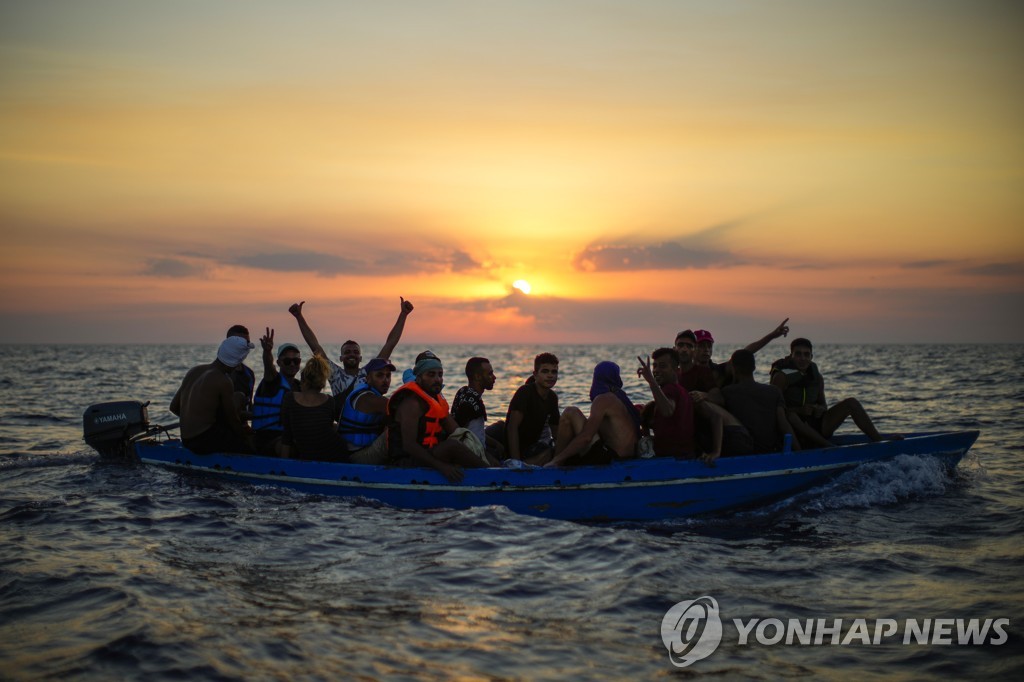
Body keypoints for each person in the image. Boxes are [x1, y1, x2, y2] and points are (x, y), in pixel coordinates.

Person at [288, 297, 414, 409]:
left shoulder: (368, 373)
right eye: (347, 352)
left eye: (355, 352)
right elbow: (314, 345)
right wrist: (299, 317)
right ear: (341, 358)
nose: (351, 354)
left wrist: (403, 314)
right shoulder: (335, 374)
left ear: (360, 358)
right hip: (343, 426)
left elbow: (390, 344)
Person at [770, 338, 896, 448]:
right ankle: (828, 447)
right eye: (798, 354)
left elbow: (824, 406)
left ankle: (878, 440)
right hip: (793, 429)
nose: (802, 358)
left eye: (806, 355)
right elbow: (772, 410)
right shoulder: (781, 377)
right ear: (791, 356)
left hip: (817, 426)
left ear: (811, 357)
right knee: (792, 416)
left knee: (851, 403)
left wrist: (819, 408)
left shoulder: (817, 377)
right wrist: (799, 410)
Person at [386, 354, 488, 482]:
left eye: (440, 375)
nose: (437, 379)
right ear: (418, 378)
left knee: (465, 441)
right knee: (452, 446)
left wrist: (482, 449)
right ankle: (492, 475)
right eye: (431, 375)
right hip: (405, 461)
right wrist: (442, 467)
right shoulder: (412, 404)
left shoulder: (435, 400)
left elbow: (457, 431)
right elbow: (409, 446)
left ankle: (493, 467)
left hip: (428, 454)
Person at [170, 336, 255, 454]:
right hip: (202, 441)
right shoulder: (224, 380)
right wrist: (244, 437)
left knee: (238, 397)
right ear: (237, 362)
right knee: (250, 445)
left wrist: (192, 422)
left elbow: (173, 407)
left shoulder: (194, 371)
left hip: (186, 439)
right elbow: (232, 420)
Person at [545, 361, 640, 467]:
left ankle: (556, 462)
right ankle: (558, 459)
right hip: (629, 455)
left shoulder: (603, 399)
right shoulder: (620, 398)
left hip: (612, 457)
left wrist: (558, 459)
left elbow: (587, 437)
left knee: (570, 412)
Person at [487, 352, 561, 465]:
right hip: (516, 450)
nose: (550, 375)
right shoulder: (525, 392)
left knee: (556, 451)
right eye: (545, 371)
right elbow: (512, 427)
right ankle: (521, 465)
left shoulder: (552, 397)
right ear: (535, 374)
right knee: (549, 453)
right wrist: (516, 462)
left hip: (532, 447)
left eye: (554, 372)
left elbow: (556, 431)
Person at [722, 349, 799, 454]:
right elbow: (783, 424)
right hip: (770, 450)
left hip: (743, 451)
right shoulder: (774, 391)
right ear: (754, 368)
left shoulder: (727, 392)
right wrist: (798, 451)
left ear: (734, 369)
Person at [279, 356, 349, 461]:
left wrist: (282, 465)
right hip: (337, 452)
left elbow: (287, 436)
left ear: (304, 381)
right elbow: (326, 427)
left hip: (310, 453)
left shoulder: (290, 398)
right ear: (322, 383)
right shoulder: (329, 401)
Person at [692, 318, 790, 388]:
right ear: (692, 348)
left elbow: (746, 352)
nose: (706, 349)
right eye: (701, 346)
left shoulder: (720, 371)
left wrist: (772, 335)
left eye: (709, 346)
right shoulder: (683, 372)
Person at [251, 329, 302, 456]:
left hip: (290, 436)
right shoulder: (272, 381)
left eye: (295, 361)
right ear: (279, 363)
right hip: (268, 439)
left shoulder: (300, 386)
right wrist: (267, 351)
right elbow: (268, 366)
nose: (292, 364)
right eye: (287, 361)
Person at [637, 348, 695, 458]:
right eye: (655, 366)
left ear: (676, 371)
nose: (656, 370)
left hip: (672, 457)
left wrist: (651, 381)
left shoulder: (670, 389)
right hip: (685, 454)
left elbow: (667, 410)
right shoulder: (682, 391)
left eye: (662, 366)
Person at [338, 357, 395, 464]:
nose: (386, 380)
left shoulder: (368, 392)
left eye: (388, 375)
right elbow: (403, 409)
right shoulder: (369, 398)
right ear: (368, 378)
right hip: (358, 456)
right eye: (379, 375)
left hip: (360, 450)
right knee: (397, 430)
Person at [451, 356, 505, 460]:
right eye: (490, 374)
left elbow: (475, 432)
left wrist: (496, 444)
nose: (494, 377)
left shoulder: (463, 392)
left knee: (501, 426)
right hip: (473, 453)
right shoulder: (472, 403)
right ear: (478, 377)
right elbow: (466, 438)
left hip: (475, 444)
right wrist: (489, 459)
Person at [226, 324, 257, 417]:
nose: (244, 347)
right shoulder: (218, 373)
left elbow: (249, 405)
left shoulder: (249, 374)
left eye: (247, 343)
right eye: (240, 343)